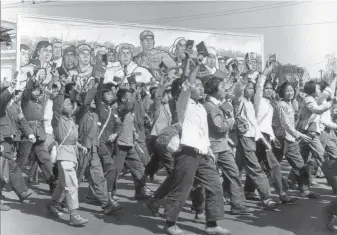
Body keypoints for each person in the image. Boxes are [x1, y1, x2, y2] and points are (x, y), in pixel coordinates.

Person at [162, 59, 230, 235]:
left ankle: (212, 224)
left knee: (215, 185)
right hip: (186, 152)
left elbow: (203, 132)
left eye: (202, 86)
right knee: (182, 188)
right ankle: (170, 224)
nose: (201, 88)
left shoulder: (201, 107)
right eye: (197, 85)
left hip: (202, 152)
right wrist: (198, 64)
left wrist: (208, 150)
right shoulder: (182, 103)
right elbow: (188, 82)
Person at [203, 77, 253, 215]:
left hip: (224, 145)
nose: (225, 88)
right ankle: (199, 205)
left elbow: (232, 114)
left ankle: (238, 204)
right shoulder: (209, 105)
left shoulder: (221, 102)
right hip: (212, 146)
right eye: (222, 86)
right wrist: (231, 121)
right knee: (203, 178)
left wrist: (233, 117)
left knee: (233, 173)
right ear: (214, 89)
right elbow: (220, 126)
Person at [75, 83, 123, 214]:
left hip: (93, 150)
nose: (96, 103)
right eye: (92, 101)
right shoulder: (81, 113)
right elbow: (87, 102)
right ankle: (58, 201)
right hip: (82, 150)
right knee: (76, 178)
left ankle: (106, 204)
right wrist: (97, 83)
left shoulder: (95, 115)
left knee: (99, 176)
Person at [46, 82, 88, 227]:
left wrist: (80, 146)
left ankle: (53, 204)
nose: (71, 106)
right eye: (68, 103)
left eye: (71, 104)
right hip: (64, 156)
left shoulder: (71, 120)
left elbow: (72, 139)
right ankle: (74, 215)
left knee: (63, 185)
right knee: (72, 185)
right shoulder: (57, 120)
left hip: (72, 155)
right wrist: (63, 90)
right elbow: (57, 105)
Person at [275, 82, 319, 198]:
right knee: (272, 166)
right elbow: (286, 125)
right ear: (282, 93)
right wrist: (299, 135)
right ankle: (253, 190)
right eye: (287, 91)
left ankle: (304, 189)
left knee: (300, 164)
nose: (290, 93)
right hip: (280, 139)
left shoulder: (291, 104)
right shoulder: (281, 105)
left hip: (291, 139)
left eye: (291, 90)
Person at [0, 81, 33, 210]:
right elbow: (3, 98)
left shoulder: (15, 106)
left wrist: (29, 133)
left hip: (11, 138)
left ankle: (22, 192)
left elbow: (22, 120)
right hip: (2, 140)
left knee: (6, 168)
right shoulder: (2, 103)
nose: (15, 95)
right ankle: (22, 192)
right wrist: (10, 88)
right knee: (9, 166)